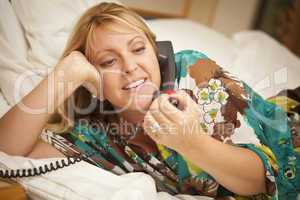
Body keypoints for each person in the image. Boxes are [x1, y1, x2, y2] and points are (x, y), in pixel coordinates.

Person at [0, 2, 299, 200]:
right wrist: (66, 71)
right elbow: (7, 149)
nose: (130, 67)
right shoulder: (97, 133)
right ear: (92, 80)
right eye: (108, 61)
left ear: (157, 54)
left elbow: (263, 179)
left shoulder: (195, 76)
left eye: (138, 49)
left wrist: (191, 142)